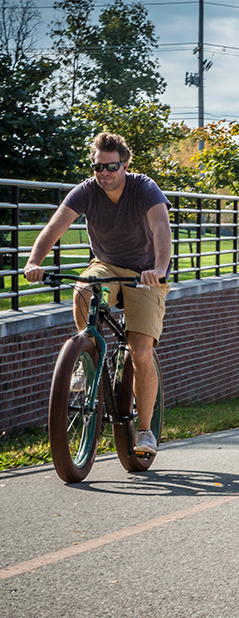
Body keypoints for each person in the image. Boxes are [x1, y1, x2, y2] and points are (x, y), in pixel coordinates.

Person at [24, 132, 172, 456]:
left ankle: (145, 432)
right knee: (85, 289)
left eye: (111, 167)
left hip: (144, 274)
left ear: (125, 164)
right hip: (106, 267)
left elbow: (161, 227)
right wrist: (34, 261)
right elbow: (55, 226)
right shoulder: (88, 191)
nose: (104, 174)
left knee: (141, 352)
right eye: (97, 167)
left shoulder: (144, 188)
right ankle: (87, 357)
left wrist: (159, 269)